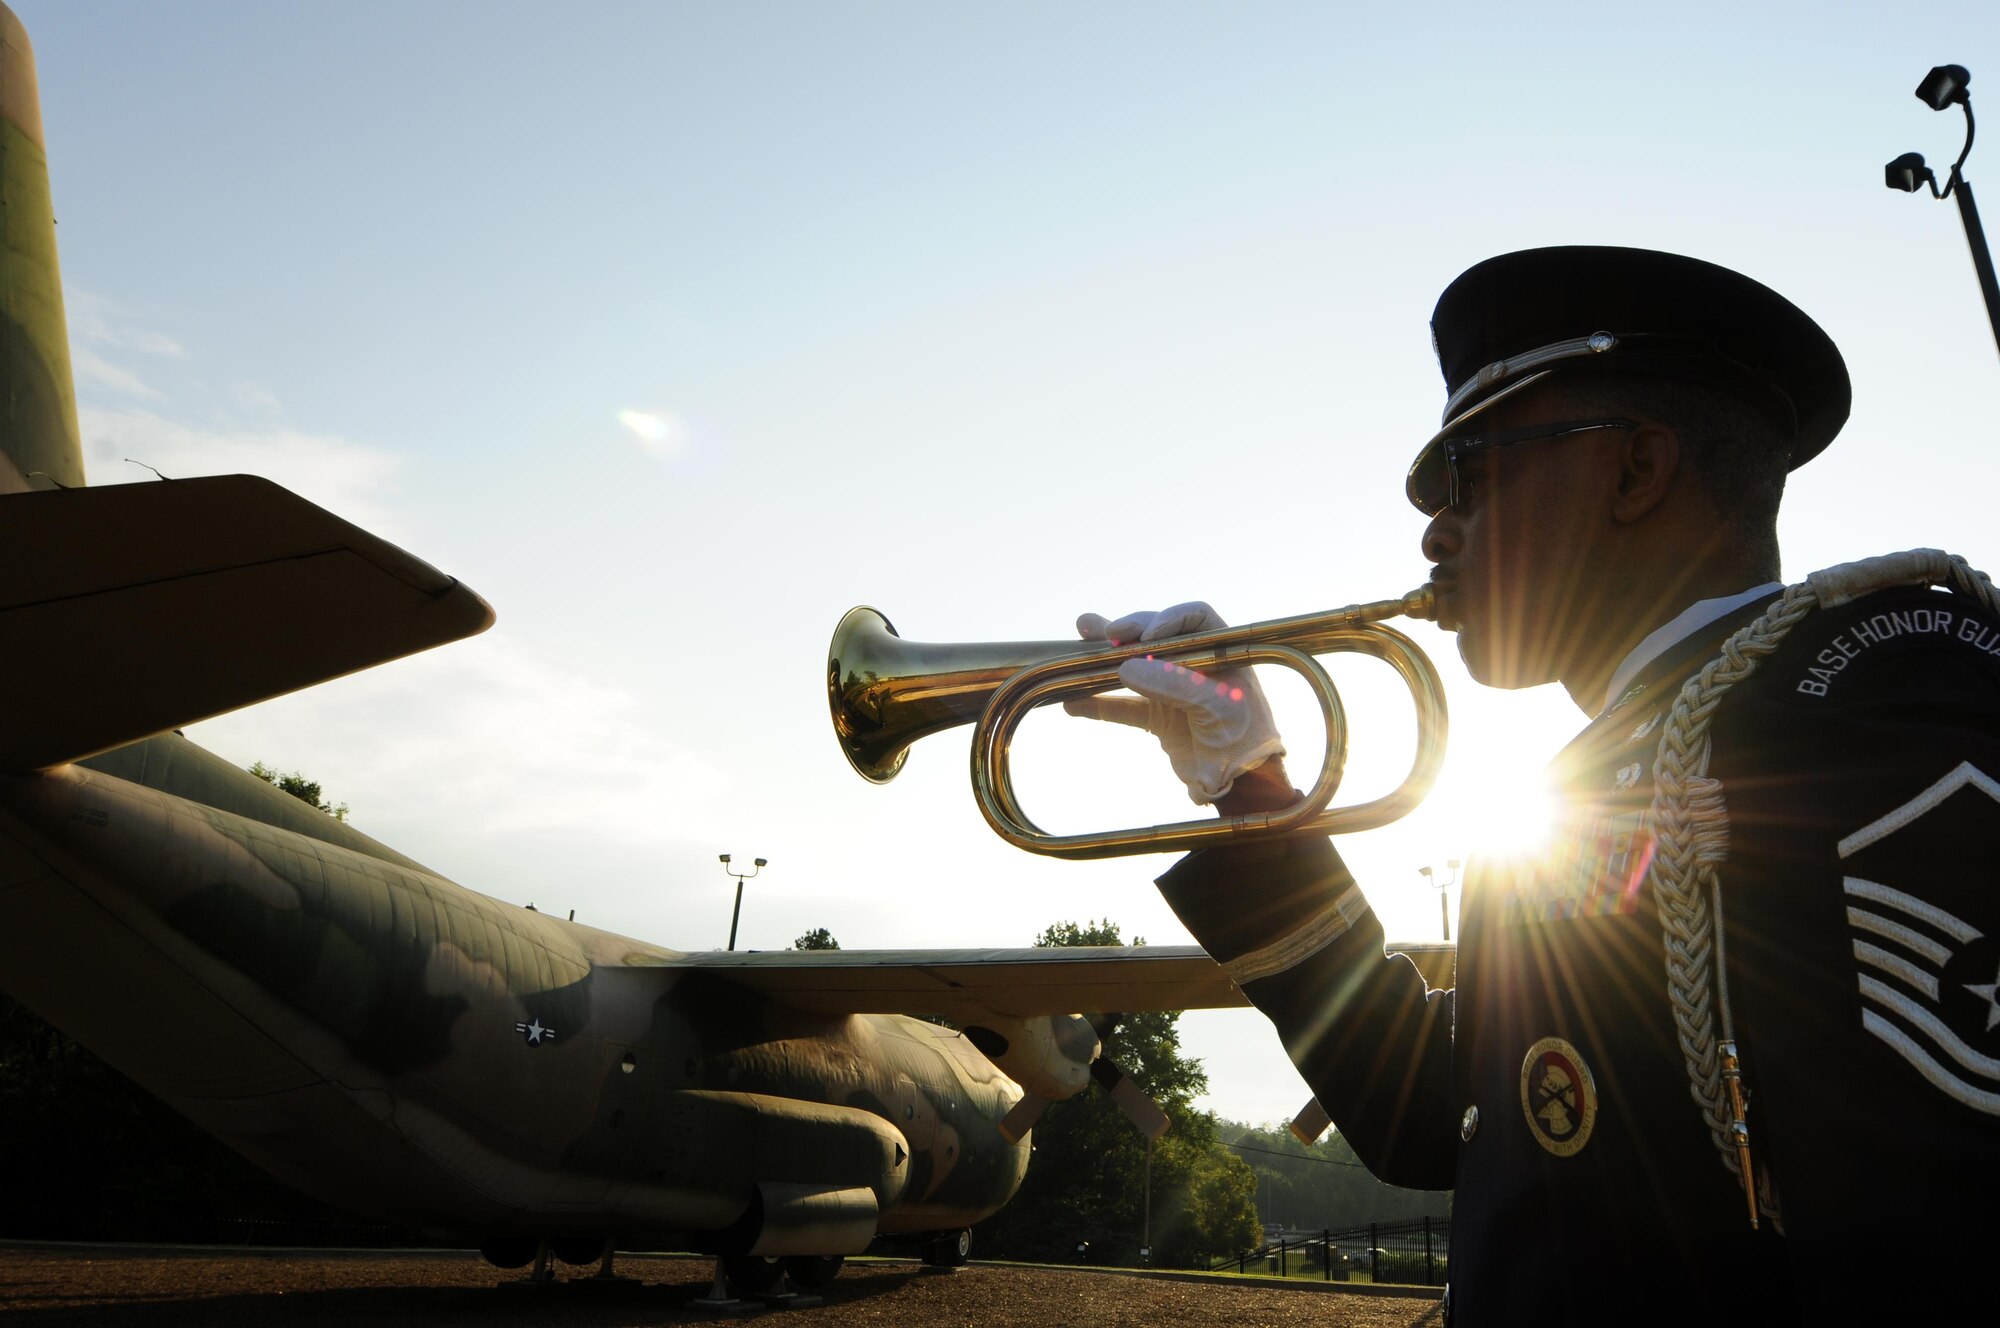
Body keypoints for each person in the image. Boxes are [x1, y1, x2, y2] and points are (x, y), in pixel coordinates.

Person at [1073, 247, 2000, 1323]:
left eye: (1467, 472)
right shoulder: (1622, 763)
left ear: (1631, 470)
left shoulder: (1874, 709)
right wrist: (1250, 782)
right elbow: (1449, 1107)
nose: (1431, 525)